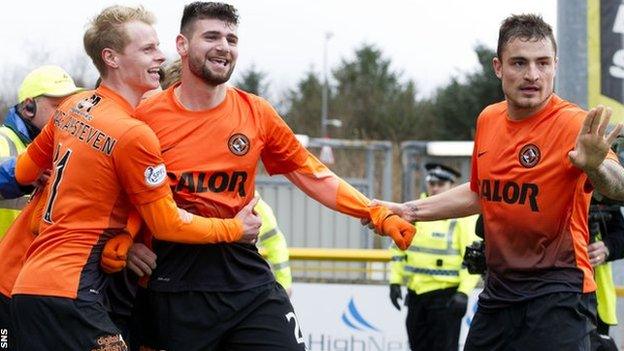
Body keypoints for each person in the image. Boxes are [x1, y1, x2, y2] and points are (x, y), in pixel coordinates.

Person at [132, 2, 415, 350]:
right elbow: (115, 191)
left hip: (244, 274)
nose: (224, 46)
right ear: (182, 44)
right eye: (211, 36)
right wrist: (125, 241)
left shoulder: (256, 112)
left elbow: (312, 174)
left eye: (231, 38)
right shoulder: (145, 117)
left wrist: (372, 211)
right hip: (176, 279)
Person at [9, 5, 263, 350]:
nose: (161, 56)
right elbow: (168, 223)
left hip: (27, 287)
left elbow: (25, 171)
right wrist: (234, 228)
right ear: (111, 58)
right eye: (148, 49)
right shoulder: (133, 133)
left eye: (158, 47)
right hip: (73, 291)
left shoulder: (72, 106)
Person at [370, 14, 624, 350]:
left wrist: (596, 168)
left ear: (555, 65)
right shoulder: (488, 119)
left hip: (559, 295)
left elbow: (619, 185)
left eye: (542, 63)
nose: (532, 74)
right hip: (498, 295)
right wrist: (410, 209)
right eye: (519, 62)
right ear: (498, 67)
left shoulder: (573, 123)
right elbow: (479, 191)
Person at [389, 163, 479, 351]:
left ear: (451, 186)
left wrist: (463, 292)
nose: (435, 187)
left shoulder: (460, 215)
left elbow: (471, 257)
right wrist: (395, 282)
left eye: (441, 183)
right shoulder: (411, 211)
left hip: (446, 297)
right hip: (416, 295)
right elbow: (398, 249)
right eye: (432, 182)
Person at [0, 65, 82, 239]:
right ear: (29, 107)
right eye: (58, 105)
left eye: (70, 105)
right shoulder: (3, 139)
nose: (67, 113)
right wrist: (23, 172)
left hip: (37, 262)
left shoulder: (68, 148)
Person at [255, 194, 293, 295]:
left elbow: (274, 242)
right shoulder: (252, 199)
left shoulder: (252, 199)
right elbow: (275, 242)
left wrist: (284, 283)